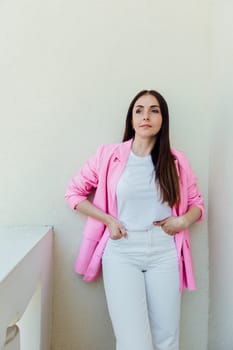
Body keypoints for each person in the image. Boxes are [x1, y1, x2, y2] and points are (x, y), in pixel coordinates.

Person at [65, 89, 204, 350]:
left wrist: (183, 221)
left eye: (154, 110)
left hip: (164, 251)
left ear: (163, 119)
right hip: (121, 252)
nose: (146, 116)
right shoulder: (109, 155)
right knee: (133, 342)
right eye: (139, 110)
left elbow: (197, 204)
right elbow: (73, 193)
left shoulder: (176, 161)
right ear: (131, 119)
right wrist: (107, 219)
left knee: (167, 338)